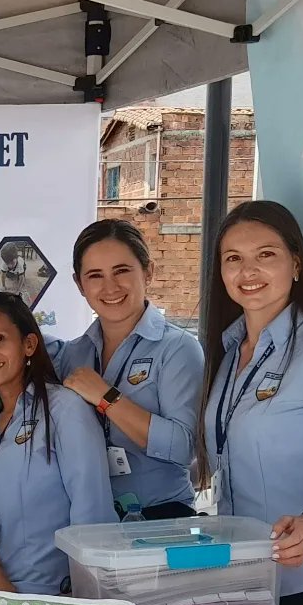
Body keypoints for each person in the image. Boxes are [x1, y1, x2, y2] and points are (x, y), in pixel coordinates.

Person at [200, 200, 303, 605]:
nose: (248, 271)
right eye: (233, 258)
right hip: (238, 579)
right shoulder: (228, 349)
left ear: (296, 263)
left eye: (266, 255)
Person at [0, 291, 116, 594]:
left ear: (29, 344)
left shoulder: (64, 410)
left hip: (52, 599)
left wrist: (82, 600)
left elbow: (92, 516)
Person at [56, 219, 205, 519]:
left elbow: (185, 449)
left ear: (148, 271)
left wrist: (106, 397)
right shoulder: (73, 355)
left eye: (122, 271)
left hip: (163, 516)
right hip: (93, 521)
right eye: (95, 275)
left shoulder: (177, 348)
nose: (110, 287)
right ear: (79, 284)